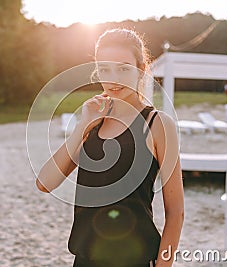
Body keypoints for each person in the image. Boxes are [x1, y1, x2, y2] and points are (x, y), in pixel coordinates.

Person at [36, 28, 184, 267]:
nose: (113, 78)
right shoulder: (92, 122)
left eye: (124, 68)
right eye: (104, 68)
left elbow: (176, 212)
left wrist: (163, 265)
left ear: (141, 70)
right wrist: (83, 125)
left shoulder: (157, 124)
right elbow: (45, 183)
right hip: (85, 260)